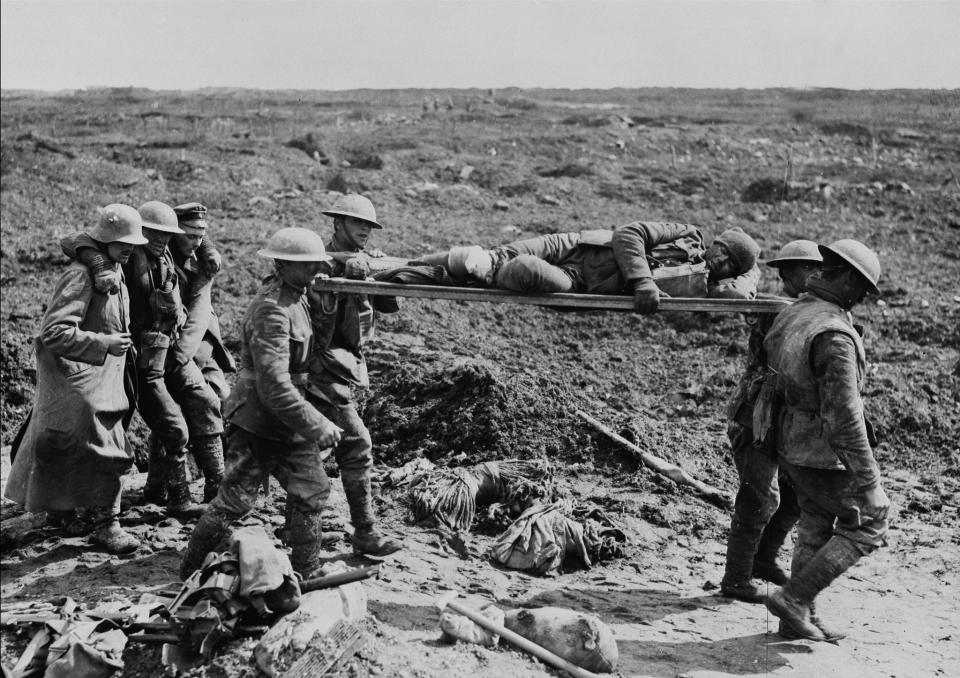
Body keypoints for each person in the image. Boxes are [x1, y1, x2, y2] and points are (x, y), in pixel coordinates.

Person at [180, 227, 343, 579]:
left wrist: (326, 313)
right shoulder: (272, 309)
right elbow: (274, 386)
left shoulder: (297, 295)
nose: (317, 270)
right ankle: (191, 569)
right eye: (309, 264)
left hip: (286, 417)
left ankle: (307, 570)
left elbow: (308, 354)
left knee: (312, 488)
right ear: (283, 265)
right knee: (235, 499)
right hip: (258, 419)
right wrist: (318, 424)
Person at [761, 239, 889, 641]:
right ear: (848, 278)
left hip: (791, 441)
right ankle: (794, 599)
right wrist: (870, 485)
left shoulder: (795, 311)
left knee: (815, 523)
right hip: (822, 451)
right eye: (862, 291)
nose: (862, 299)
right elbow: (844, 418)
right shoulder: (834, 334)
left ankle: (797, 619)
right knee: (870, 523)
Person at [63, 201, 223, 517]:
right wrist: (97, 262)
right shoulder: (129, 254)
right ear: (141, 230)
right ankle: (171, 499)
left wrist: (208, 252)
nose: (163, 239)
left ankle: (215, 487)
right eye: (156, 233)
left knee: (205, 401)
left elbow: (199, 236)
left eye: (168, 234)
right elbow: (73, 240)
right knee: (164, 428)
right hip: (139, 363)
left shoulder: (170, 252)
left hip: (171, 352)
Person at [5, 204, 147, 554]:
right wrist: (105, 343)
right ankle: (105, 525)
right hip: (79, 379)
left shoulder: (113, 267)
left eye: (132, 244)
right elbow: (53, 332)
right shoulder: (81, 276)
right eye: (122, 242)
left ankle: (69, 514)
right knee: (107, 449)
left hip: (106, 375)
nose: (129, 248)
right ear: (104, 240)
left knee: (85, 447)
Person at [720, 240, 822, 603]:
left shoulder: (810, 308)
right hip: (756, 413)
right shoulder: (773, 308)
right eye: (807, 270)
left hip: (787, 415)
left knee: (796, 494)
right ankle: (735, 578)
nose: (815, 276)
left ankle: (763, 558)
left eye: (817, 270)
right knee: (758, 496)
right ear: (788, 273)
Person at [305, 194, 403, 557]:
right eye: (358, 223)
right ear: (338, 224)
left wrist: (378, 270)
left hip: (346, 370)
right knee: (356, 445)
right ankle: (365, 532)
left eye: (369, 226)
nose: (365, 230)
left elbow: (389, 304)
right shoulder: (315, 259)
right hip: (318, 371)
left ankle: (297, 527)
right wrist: (345, 266)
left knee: (310, 451)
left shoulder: (363, 262)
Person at [419, 222, 762, 313]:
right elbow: (630, 232)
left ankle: (446, 271)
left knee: (524, 270)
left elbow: (740, 292)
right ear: (716, 242)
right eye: (723, 250)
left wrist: (750, 271)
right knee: (490, 257)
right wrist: (643, 281)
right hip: (577, 243)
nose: (720, 260)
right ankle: (405, 268)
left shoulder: (702, 287)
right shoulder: (688, 235)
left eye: (730, 263)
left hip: (580, 281)